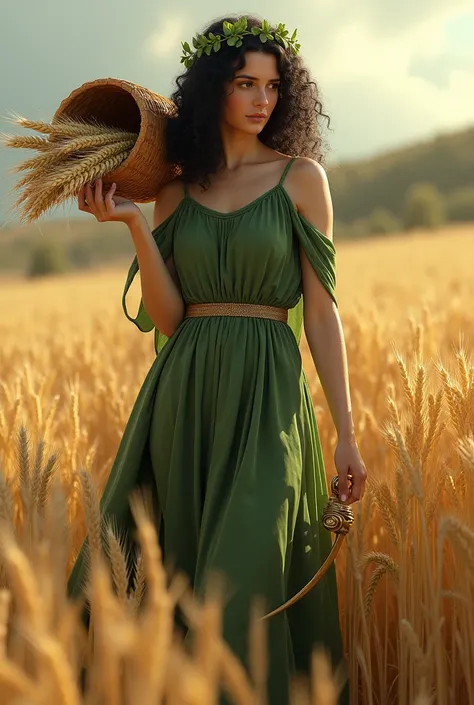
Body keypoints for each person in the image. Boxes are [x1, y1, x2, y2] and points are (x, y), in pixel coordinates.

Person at [71, 13, 367, 704]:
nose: (262, 99)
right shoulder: (176, 191)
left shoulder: (302, 179)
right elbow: (171, 319)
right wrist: (138, 228)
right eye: (244, 83)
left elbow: (321, 312)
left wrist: (346, 431)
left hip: (269, 397)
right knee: (183, 582)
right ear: (215, 90)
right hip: (185, 396)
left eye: (272, 85)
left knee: (239, 580)